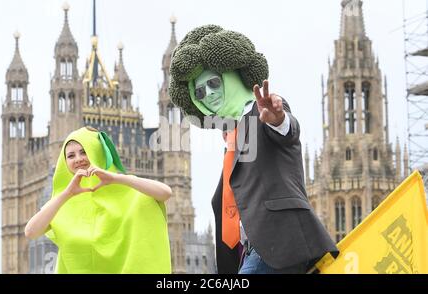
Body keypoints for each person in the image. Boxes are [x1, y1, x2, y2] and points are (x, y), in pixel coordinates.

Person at [169, 24, 339, 274]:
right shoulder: (231, 138)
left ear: (232, 77)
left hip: (281, 242)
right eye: (200, 92)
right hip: (251, 252)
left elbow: (288, 132)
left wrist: (278, 118)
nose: (208, 95)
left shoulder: (262, 112)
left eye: (214, 83)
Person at [24, 126, 172, 273]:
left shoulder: (127, 194)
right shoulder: (62, 203)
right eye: (71, 156)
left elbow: (165, 193)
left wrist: (116, 178)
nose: (78, 159)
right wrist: (67, 193)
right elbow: (31, 232)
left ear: (96, 151)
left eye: (84, 152)